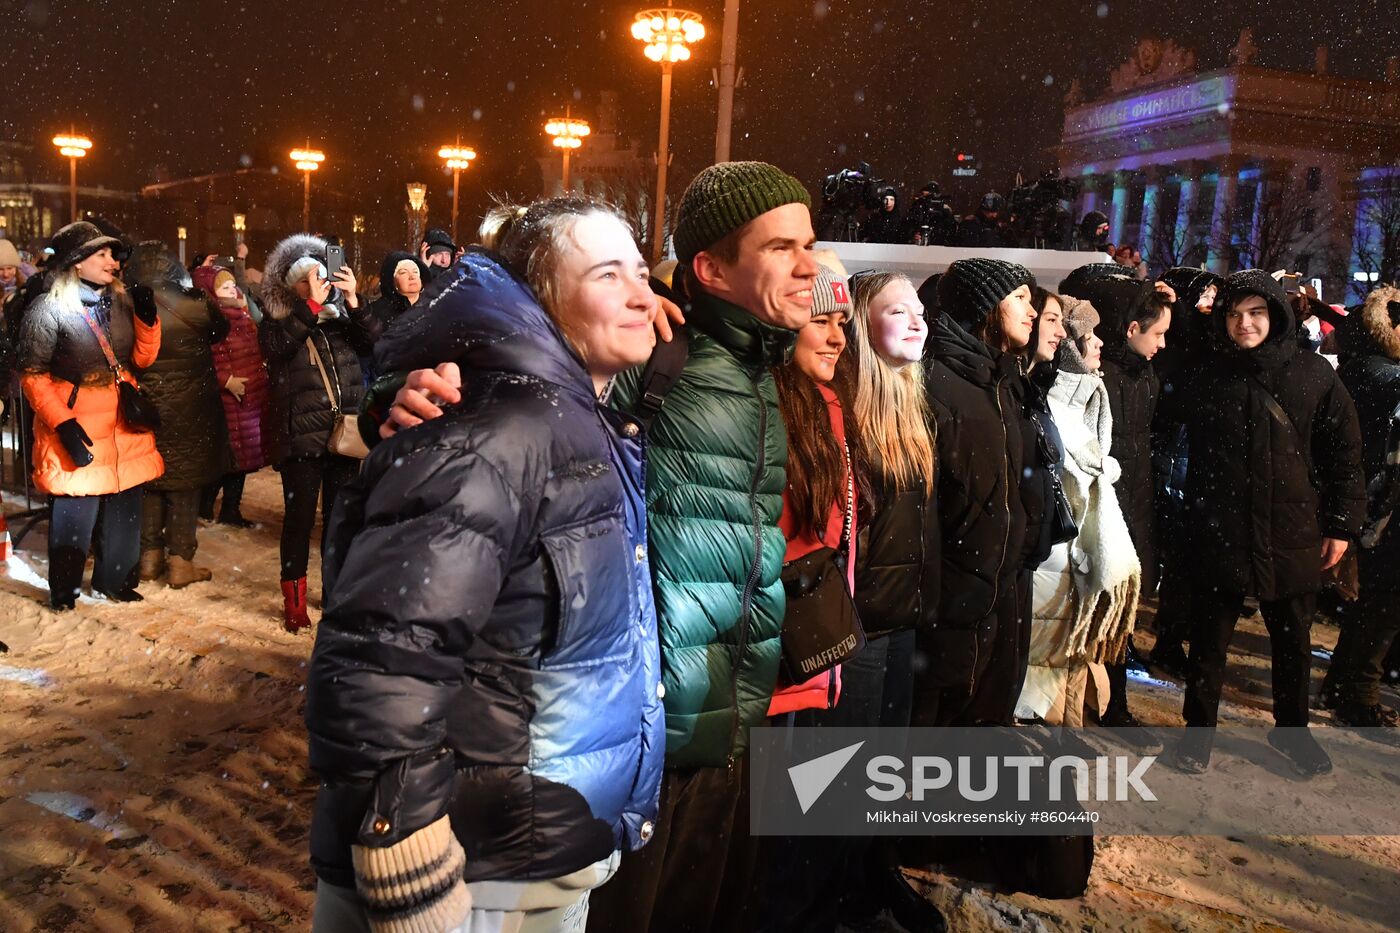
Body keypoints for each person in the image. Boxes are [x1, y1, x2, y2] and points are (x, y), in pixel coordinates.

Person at [380, 162, 819, 933]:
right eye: (784, 247)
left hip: (725, 708)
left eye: (808, 244)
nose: (810, 265)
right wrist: (398, 394)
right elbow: (501, 377)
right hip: (629, 733)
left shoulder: (760, 367)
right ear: (713, 269)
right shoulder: (658, 352)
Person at [305, 197, 664, 932]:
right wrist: (409, 867)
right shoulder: (495, 433)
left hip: (535, 850)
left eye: (639, 268)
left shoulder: (582, 420)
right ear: (541, 299)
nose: (640, 293)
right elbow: (383, 660)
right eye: (606, 274)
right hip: (479, 875)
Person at [1169, 270, 1364, 776]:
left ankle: (1292, 733)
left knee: (1294, 642)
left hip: (1292, 531)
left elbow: (1345, 454)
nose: (1243, 324)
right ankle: (1198, 734)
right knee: (1209, 641)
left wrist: (1341, 525)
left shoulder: (1313, 374)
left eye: (1255, 312)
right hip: (1221, 529)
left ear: (1276, 314)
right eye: (1234, 314)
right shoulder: (1204, 371)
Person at [17, 222, 164, 609]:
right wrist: (62, 423)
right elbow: (33, 376)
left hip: (122, 422)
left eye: (112, 254)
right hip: (77, 422)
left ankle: (114, 580)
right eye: (100, 254)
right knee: (75, 511)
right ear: (76, 263)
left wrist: (149, 322)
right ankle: (64, 591)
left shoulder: (121, 302)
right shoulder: (48, 309)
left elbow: (142, 360)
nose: (111, 261)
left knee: (125, 506)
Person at [919, 258, 1035, 727]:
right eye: (1021, 299)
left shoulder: (999, 381)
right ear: (986, 307)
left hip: (992, 590)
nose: (1031, 311)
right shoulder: (939, 384)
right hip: (950, 603)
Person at [1017, 295, 1142, 725]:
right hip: (1053, 557)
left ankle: (1060, 731)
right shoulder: (1052, 402)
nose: (1100, 344)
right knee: (1045, 656)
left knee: (1061, 653)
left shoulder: (1080, 398)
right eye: (1089, 335)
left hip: (1064, 558)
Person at [1061, 277, 1172, 744]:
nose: (1163, 344)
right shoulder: (1096, 375)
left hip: (1135, 506)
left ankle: (1112, 704)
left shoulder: (1146, 375)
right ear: (1131, 328)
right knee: (1090, 612)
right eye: (1158, 333)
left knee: (1120, 616)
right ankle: (1092, 710)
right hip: (1107, 507)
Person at [259, 234, 370, 632]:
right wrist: (309, 308)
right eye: (308, 278)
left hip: (344, 436)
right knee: (300, 521)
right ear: (293, 287)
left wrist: (354, 300)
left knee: (339, 521)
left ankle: (336, 594)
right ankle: (295, 603)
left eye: (320, 274)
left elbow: (374, 343)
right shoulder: (276, 324)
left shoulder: (340, 322)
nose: (319, 282)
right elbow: (278, 349)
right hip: (301, 439)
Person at [125, 243, 230, 589]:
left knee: (150, 480)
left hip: (147, 406)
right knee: (185, 482)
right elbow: (220, 331)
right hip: (192, 405)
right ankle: (181, 560)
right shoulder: (195, 303)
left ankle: (148, 556)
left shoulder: (127, 302)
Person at [1321, 286, 1400, 737]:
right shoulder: (1387, 377)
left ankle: (1343, 688)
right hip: (1380, 504)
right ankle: (1357, 695)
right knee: (1382, 606)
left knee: (1370, 603)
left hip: (1362, 500)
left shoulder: (1356, 370)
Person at [194, 263, 270, 528]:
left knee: (244, 460)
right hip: (226, 401)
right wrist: (225, 381)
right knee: (225, 459)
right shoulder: (208, 322)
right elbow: (201, 362)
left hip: (248, 399)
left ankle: (230, 509)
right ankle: (204, 507)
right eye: (225, 287)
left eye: (232, 285)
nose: (233, 290)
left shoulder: (243, 315)